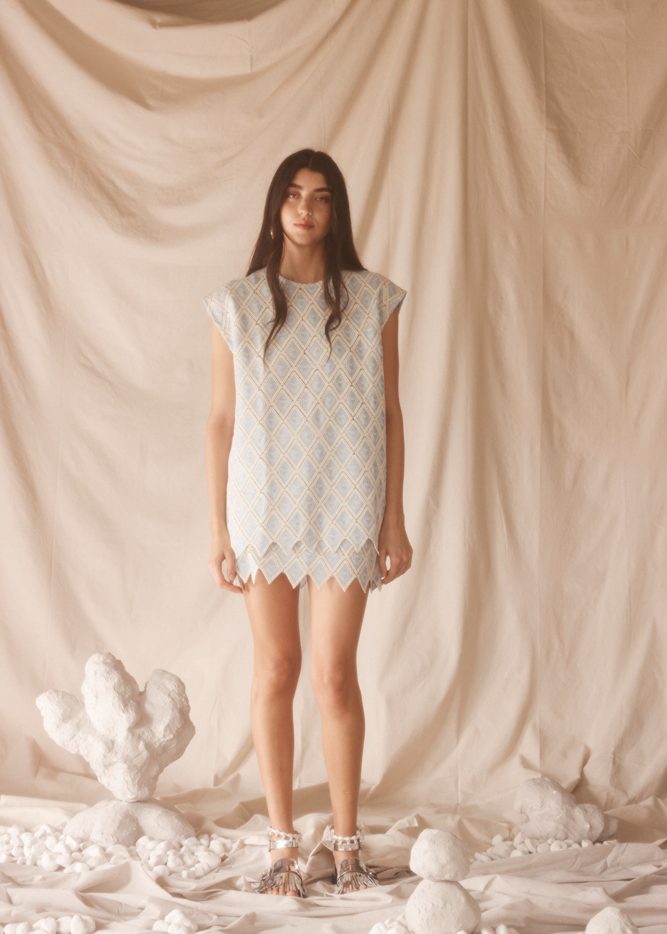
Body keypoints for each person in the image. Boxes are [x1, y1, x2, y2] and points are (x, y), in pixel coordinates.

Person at [203, 149, 412, 897]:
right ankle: (282, 845)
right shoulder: (236, 303)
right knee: (276, 669)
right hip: (262, 506)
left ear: (335, 212)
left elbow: (389, 413)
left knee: (332, 675)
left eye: (320, 198)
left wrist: (394, 522)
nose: (304, 209)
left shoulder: (372, 298)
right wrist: (221, 531)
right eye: (292, 195)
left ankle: (348, 844)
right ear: (273, 207)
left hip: (346, 498)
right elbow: (222, 421)